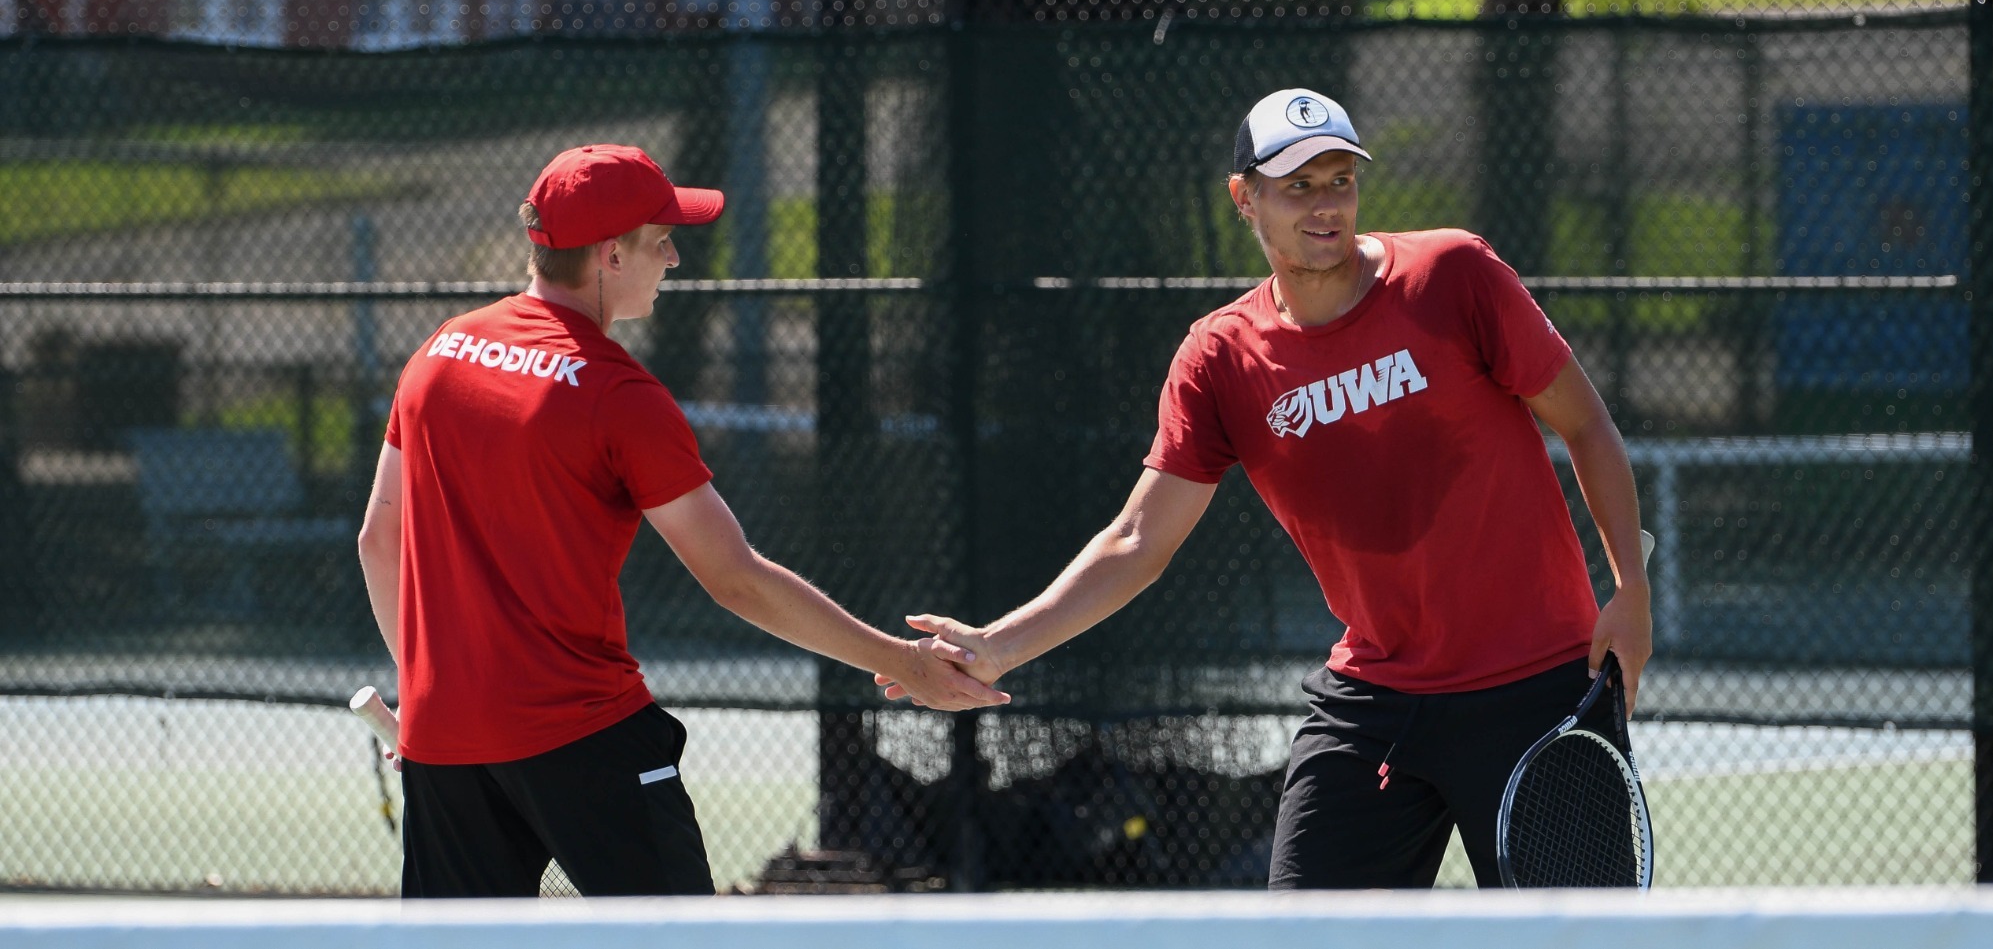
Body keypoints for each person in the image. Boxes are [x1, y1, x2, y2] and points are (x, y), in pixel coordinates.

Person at [884, 90, 1651, 889]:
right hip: (1377, 700)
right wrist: (996, 646)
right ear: (1244, 197)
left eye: (1340, 180)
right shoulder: (1220, 360)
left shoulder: (1454, 276)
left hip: (1537, 690)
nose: (1327, 206)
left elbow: (1587, 425)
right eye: (1298, 185)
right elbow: (1138, 540)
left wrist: (1631, 590)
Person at [357, 144, 1005, 898]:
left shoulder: (435, 354)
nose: (672, 255)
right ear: (609, 256)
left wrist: (426, 694)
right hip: (585, 738)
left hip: (446, 747)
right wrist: (904, 660)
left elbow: (378, 538)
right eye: (658, 239)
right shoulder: (619, 395)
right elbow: (734, 578)